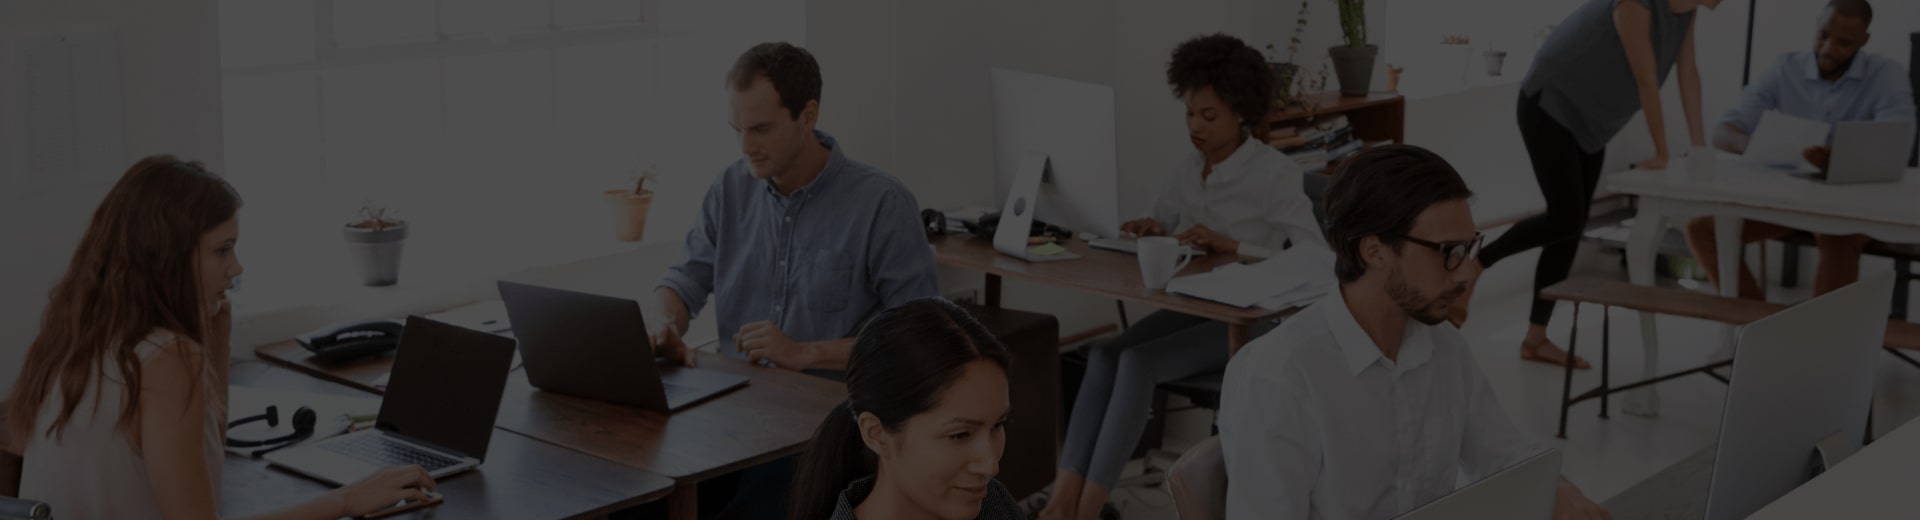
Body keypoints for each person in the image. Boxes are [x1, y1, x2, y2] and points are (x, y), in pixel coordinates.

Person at [6, 156, 435, 519]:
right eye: (222, 249)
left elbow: (204, 473)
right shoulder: (165, 357)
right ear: (167, 257)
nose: (236, 267)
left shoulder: (78, 333)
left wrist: (215, 346)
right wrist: (347, 499)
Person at [1220, 145, 1611, 519]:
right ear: (1374, 251)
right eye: (1447, 252)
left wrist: (1561, 492)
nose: (1463, 272)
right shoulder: (1283, 376)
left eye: (1468, 248)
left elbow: (1503, 454)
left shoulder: (1444, 346)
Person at [1035, 33, 1330, 520]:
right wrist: (1154, 229)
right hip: (1195, 306)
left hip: (1251, 320)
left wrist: (1235, 247)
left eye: (1208, 116)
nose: (1195, 126)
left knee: (1138, 363)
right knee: (1106, 352)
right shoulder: (1184, 171)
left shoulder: (1273, 174)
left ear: (1241, 113)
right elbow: (1167, 228)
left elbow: (1315, 255)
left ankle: (1088, 509)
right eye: (1189, 114)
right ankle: (1061, 501)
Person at [651, 41, 940, 375]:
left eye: (761, 129)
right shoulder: (729, 189)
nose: (746, 147)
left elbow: (920, 334)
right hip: (737, 401)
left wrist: (806, 353)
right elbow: (683, 281)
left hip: (834, 409)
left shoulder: (883, 204)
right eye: (737, 130)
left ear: (808, 116)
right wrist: (664, 324)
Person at [1465, 0, 1722, 369]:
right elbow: (1646, 79)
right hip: (1549, 104)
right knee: (1566, 219)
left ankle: (1535, 339)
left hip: (1591, 123)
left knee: (1568, 227)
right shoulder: (1636, 5)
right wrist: (1662, 152)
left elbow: (1689, 72)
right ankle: (1478, 264)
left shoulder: (1686, 11)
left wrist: (1700, 150)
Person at [1686, 0, 1915, 300]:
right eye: (1823, 34)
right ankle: (1756, 325)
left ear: (1864, 41)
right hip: (1789, 201)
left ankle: (1821, 344)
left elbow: (1895, 143)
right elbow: (1724, 131)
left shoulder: (1886, 75)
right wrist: (1760, 148)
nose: (1829, 48)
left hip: (1853, 204)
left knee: (1838, 235)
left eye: (1844, 42)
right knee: (1702, 230)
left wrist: (1838, 158)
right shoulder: (1785, 69)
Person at [788, 298, 1024, 520]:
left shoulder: (991, 502)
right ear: (876, 433)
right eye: (959, 435)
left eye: (998, 425)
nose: (990, 466)